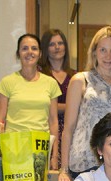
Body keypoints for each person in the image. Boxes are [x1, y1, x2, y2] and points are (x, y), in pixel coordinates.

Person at [58, 26, 111, 181]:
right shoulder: (81, 80)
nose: (108, 56)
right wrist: (63, 170)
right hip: (85, 163)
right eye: (103, 50)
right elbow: (68, 128)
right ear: (94, 52)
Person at [0, 33, 61, 169]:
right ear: (18, 53)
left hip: (40, 149)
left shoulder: (50, 83)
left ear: (40, 54)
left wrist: (54, 156)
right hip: (13, 148)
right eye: (25, 48)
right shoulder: (7, 82)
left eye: (34, 48)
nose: (29, 52)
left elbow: (53, 122)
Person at [39, 29, 77, 169]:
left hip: (71, 130)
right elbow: (44, 106)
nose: (57, 47)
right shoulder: (39, 75)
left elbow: (82, 106)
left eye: (60, 43)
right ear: (45, 48)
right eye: (52, 44)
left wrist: (59, 107)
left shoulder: (75, 75)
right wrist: (70, 107)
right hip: (47, 129)